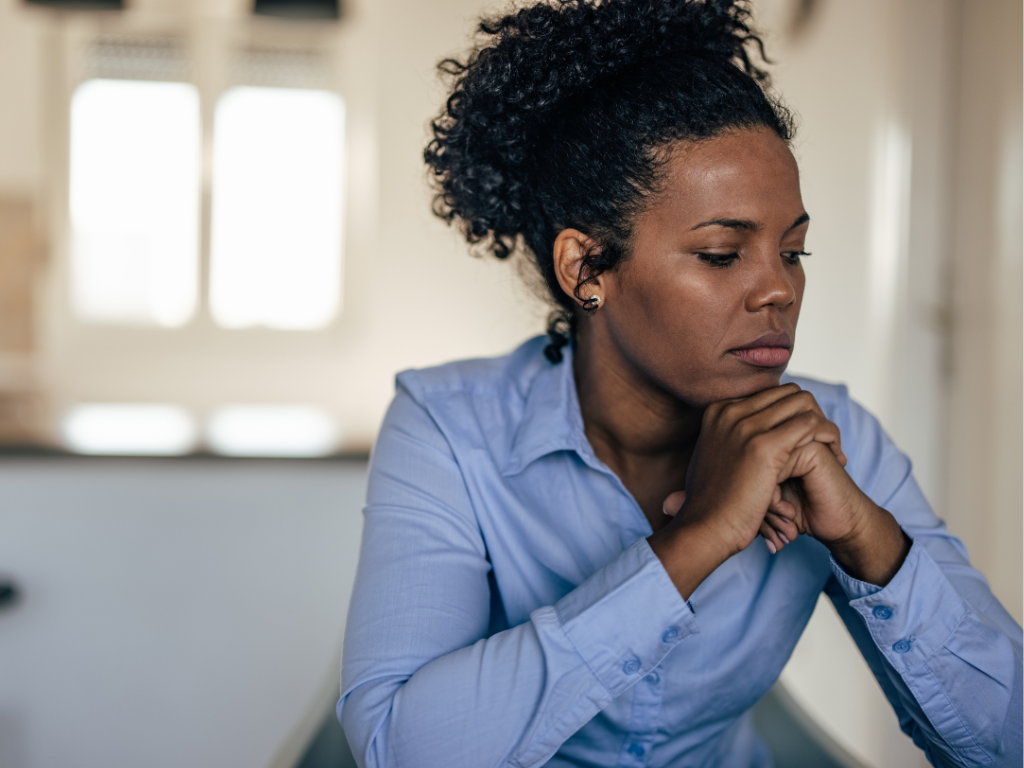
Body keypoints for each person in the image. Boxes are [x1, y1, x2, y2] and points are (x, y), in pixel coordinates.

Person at [337, 0, 1023, 765]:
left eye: (793, 253)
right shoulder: (446, 427)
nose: (779, 292)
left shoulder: (833, 438)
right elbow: (397, 747)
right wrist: (693, 543)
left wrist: (870, 540)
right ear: (586, 269)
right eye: (724, 254)